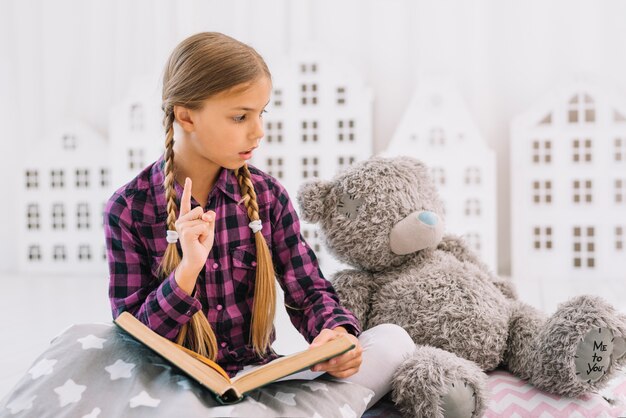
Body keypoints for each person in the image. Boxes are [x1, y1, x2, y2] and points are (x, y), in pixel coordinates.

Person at [104, 31, 414, 409]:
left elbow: (310, 290)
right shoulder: (128, 209)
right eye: (240, 116)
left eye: (261, 112)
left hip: (259, 381)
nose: (258, 131)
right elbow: (133, 343)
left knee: (392, 339)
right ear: (185, 115)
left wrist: (335, 335)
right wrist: (186, 271)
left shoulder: (267, 197)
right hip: (173, 393)